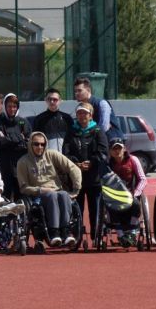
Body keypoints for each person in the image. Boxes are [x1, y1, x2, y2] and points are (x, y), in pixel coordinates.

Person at [17, 131, 82, 246]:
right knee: (52, 195)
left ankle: (66, 233)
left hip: (56, 190)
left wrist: (76, 189)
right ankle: (54, 232)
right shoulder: (23, 161)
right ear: (30, 144)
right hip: (37, 195)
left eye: (42, 144)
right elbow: (23, 187)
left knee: (63, 194)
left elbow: (73, 168)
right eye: (36, 144)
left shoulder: (52, 154)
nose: (39, 147)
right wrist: (40, 190)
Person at [62, 102, 108, 239]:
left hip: (94, 178)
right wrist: (76, 164)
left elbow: (104, 152)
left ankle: (96, 235)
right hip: (76, 177)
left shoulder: (98, 131)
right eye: (80, 113)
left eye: (85, 113)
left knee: (95, 209)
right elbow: (65, 152)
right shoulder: (71, 131)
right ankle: (77, 235)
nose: (82, 115)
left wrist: (92, 162)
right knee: (77, 209)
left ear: (91, 115)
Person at [107, 138, 147, 247]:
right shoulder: (107, 164)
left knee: (135, 203)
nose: (117, 151)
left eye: (119, 148)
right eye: (114, 149)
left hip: (130, 193)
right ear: (110, 151)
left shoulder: (133, 160)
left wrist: (136, 194)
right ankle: (120, 235)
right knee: (111, 204)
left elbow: (143, 179)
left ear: (124, 148)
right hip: (114, 195)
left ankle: (132, 232)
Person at [0, 93, 31, 199]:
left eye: (14, 106)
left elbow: (28, 143)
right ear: (5, 106)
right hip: (4, 165)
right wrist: (20, 138)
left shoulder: (23, 122)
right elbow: (1, 142)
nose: (12, 109)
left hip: (20, 164)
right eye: (9, 106)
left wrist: (10, 140)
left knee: (21, 194)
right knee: (6, 194)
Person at [73, 76, 123, 141]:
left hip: (113, 143)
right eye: (75, 91)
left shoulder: (101, 103)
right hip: (97, 142)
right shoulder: (81, 107)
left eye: (79, 90)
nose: (76, 93)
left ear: (88, 90)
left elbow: (104, 127)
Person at [32, 87, 73, 152]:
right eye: (49, 99)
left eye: (55, 99)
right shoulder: (39, 119)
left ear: (60, 101)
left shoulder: (67, 118)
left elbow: (72, 140)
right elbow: (35, 141)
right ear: (45, 100)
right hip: (47, 158)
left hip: (65, 157)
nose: (52, 101)